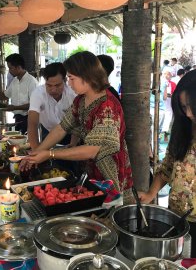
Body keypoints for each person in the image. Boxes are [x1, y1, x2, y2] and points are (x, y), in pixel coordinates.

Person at [22, 51, 134, 204]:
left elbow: (91, 149)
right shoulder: (81, 100)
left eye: (71, 78)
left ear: (87, 77)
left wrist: (49, 154)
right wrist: (37, 152)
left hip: (109, 173)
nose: (69, 83)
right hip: (89, 169)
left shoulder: (107, 106)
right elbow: (62, 127)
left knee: (107, 214)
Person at [139, 70, 196, 257]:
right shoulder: (183, 125)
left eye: (192, 107)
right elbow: (167, 167)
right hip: (177, 218)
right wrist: (150, 193)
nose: (187, 113)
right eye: (183, 106)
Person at [27, 62, 76, 149]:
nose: (53, 90)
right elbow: (32, 123)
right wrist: (35, 152)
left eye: (57, 85)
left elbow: (77, 122)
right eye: (49, 85)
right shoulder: (38, 93)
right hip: (47, 132)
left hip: (70, 132)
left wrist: (73, 144)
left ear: (65, 81)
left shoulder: (72, 94)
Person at [0, 54, 38, 134]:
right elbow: (5, 95)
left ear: (18, 67)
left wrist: (14, 107)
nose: (9, 71)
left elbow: (33, 105)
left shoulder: (31, 82)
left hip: (29, 119)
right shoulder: (15, 81)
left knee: (28, 143)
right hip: (18, 119)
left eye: (10, 68)